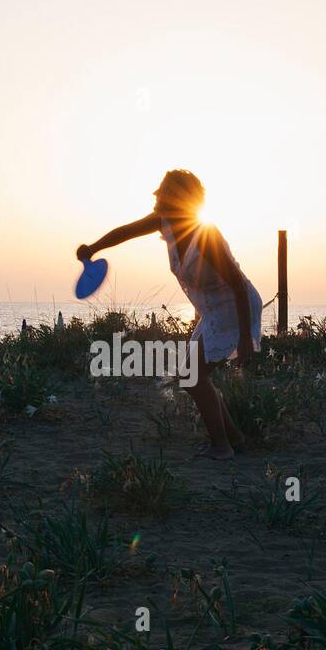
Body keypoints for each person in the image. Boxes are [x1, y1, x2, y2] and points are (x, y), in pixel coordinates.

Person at [77, 169, 261, 460]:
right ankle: (234, 440)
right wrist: (94, 248)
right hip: (213, 310)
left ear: (179, 199)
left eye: (164, 192)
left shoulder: (205, 236)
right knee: (193, 376)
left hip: (234, 305)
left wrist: (244, 338)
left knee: (194, 377)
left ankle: (222, 447)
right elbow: (125, 231)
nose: (157, 196)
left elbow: (237, 284)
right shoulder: (164, 222)